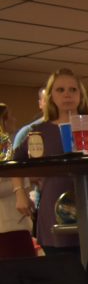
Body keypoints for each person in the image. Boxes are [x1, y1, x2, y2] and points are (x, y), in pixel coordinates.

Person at [13, 68, 88, 257]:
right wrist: (20, 193)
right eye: (60, 90)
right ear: (51, 96)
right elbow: (15, 162)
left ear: (81, 96)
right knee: (65, 277)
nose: (67, 94)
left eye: (73, 90)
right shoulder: (39, 131)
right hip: (54, 212)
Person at [0, 104, 35, 258]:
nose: (14, 119)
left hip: (18, 224)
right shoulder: (3, 150)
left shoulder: (7, 147)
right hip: (7, 226)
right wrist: (22, 183)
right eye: (10, 116)